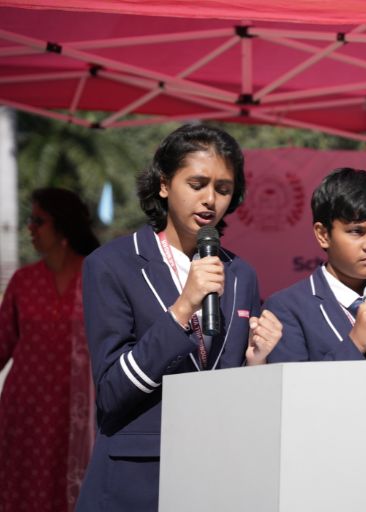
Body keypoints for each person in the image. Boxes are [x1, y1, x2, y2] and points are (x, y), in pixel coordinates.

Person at [75, 124, 283, 511]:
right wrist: (182, 309)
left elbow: (237, 391)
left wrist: (257, 363)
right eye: (197, 184)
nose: (210, 200)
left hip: (216, 476)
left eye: (223, 189)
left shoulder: (241, 274)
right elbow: (112, 392)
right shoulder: (112, 265)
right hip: (137, 481)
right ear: (163, 184)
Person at [0, 188, 100, 512]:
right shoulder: (23, 281)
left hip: (79, 414)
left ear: (62, 225)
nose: (29, 228)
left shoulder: (97, 276)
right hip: (26, 412)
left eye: (38, 220)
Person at [265, 167, 366, 362]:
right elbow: (290, 382)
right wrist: (355, 343)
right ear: (323, 235)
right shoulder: (287, 308)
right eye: (356, 231)